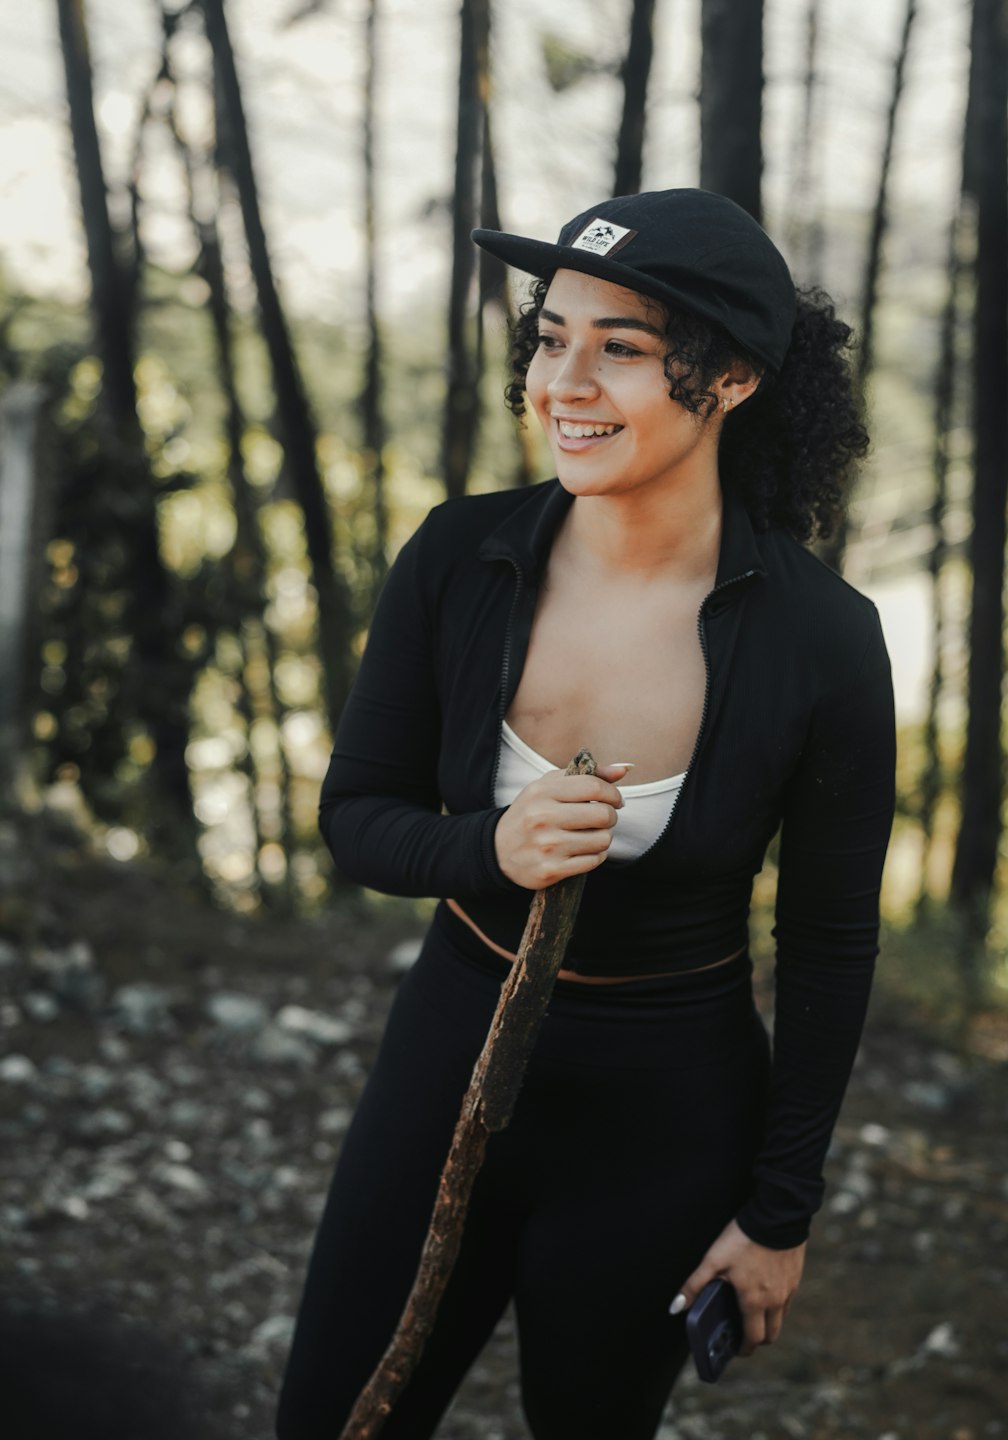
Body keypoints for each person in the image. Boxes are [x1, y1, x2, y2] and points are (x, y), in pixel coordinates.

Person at [275, 188, 897, 1440]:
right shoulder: (462, 557)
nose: (566, 379)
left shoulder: (823, 641)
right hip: (446, 1051)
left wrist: (780, 1213)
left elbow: (829, 944)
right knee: (331, 1421)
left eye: (621, 346)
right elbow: (356, 813)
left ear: (729, 380)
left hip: (667, 1110)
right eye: (553, 335)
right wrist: (484, 848)